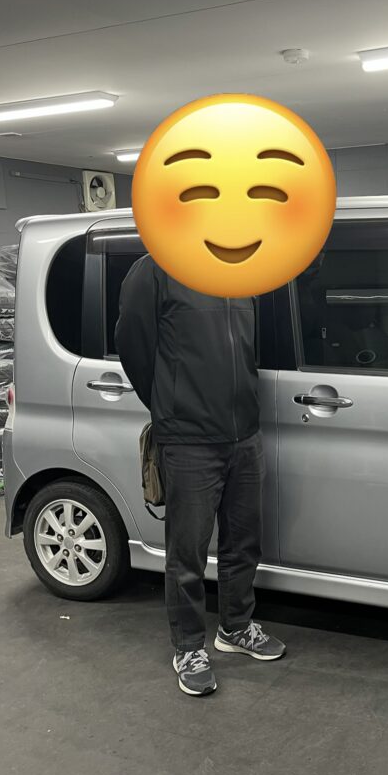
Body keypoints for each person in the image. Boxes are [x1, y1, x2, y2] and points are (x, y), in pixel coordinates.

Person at [115, 255, 285, 697]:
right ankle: (189, 647)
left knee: (244, 543)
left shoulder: (241, 272)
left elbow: (247, 350)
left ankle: (235, 628)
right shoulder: (156, 270)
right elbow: (133, 345)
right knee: (187, 553)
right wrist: (169, 405)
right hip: (189, 439)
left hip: (244, 435)